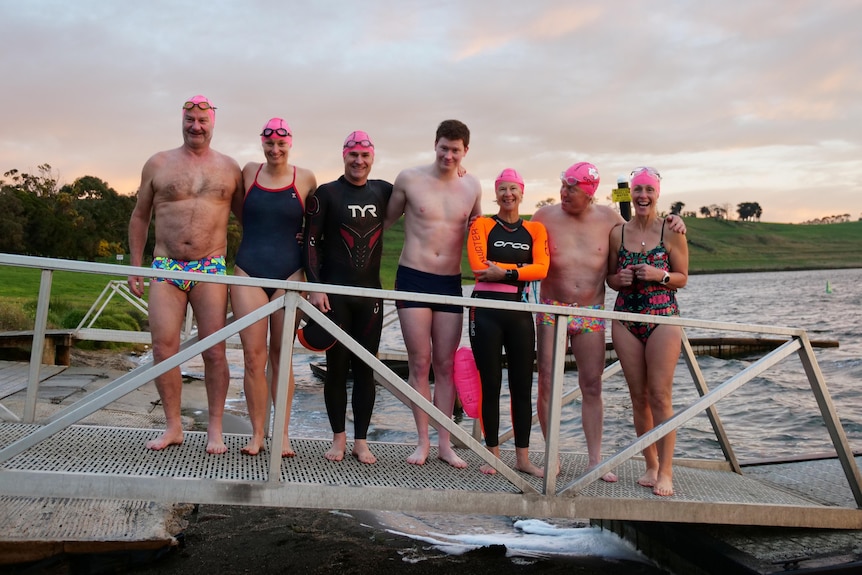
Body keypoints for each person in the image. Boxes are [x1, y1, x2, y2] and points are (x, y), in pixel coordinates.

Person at [532, 162, 685, 480]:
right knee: (547, 382)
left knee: (592, 385)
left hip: (591, 313)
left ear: (588, 194)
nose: (563, 194)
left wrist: (676, 219)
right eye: (562, 187)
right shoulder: (543, 217)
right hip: (552, 309)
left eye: (571, 190)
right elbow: (517, 242)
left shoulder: (611, 222)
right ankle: (551, 456)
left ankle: (594, 461)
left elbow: (641, 228)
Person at [128, 94, 243, 454]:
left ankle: (215, 429)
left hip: (211, 265)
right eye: (190, 119)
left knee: (215, 351)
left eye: (202, 120)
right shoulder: (158, 163)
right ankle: (173, 426)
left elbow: (251, 220)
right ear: (182, 120)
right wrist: (135, 266)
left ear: (213, 123)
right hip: (166, 265)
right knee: (164, 348)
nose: (196, 126)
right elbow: (140, 216)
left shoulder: (230, 168)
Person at [385, 119, 483, 468]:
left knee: (445, 364)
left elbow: (479, 234)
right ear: (435, 145)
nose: (448, 154)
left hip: (449, 282)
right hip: (413, 276)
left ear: (465, 152)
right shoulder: (410, 178)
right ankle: (422, 441)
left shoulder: (472, 186)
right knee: (420, 362)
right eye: (444, 147)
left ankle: (445, 443)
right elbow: (381, 223)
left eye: (455, 150)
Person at [230, 118, 317, 457]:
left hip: (290, 274)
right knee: (253, 357)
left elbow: (316, 226)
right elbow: (241, 212)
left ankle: (280, 434)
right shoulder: (249, 172)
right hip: (249, 270)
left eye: (281, 144)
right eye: (270, 144)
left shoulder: (305, 178)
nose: (275, 149)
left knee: (282, 357)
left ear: (290, 144)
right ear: (262, 143)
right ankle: (255, 434)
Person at [303, 130, 391, 465]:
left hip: (370, 295)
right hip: (334, 295)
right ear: (344, 155)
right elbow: (310, 242)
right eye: (353, 154)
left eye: (365, 155)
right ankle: (338, 439)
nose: (359, 161)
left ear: (372, 157)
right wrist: (316, 285)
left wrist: (456, 173)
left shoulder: (383, 191)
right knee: (337, 368)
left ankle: (361, 441)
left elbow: (421, 194)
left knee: (366, 369)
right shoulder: (327, 193)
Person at [606, 166, 688, 496]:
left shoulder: (671, 230)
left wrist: (660, 275)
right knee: (638, 398)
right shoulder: (617, 233)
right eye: (637, 189)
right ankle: (650, 465)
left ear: (657, 194)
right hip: (625, 316)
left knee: (660, 395)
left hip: (663, 315)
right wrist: (618, 280)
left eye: (649, 190)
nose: (643, 196)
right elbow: (611, 277)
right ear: (631, 193)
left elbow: (682, 276)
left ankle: (667, 471)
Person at [467, 168, 549, 477]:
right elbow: (478, 267)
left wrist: (505, 273)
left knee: (521, 387)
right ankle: (492, 454)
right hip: (484, 311)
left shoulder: (535, 230)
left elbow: (541, 268)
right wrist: (521, 267)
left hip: (518, 312)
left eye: (513, 189)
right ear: (496, 193)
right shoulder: (483, 225)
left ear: (522, 192)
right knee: (490, 383)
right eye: (502, 189)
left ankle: (523, 459)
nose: (508, 194)